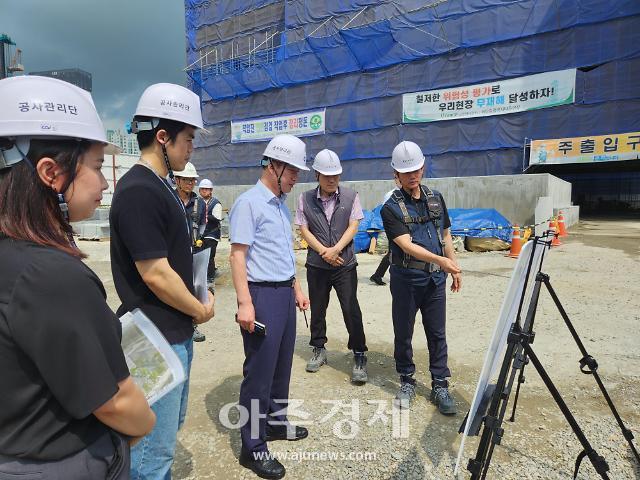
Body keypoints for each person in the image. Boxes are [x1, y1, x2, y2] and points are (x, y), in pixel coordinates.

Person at [0, 75, 155, 479]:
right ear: (51, 172)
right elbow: (114, 401)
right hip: (58, 461)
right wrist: (146, 424)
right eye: (98, 166)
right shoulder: (51, 275)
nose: (105, 183)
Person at [109, 83, 215, 479]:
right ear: (162, 137)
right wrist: (200, 310)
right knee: (152, 453)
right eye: (188, 139)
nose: (191, 150)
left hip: (171, 331)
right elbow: (154, 273)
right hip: (152, 338)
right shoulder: (138, 190)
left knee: (165, 434)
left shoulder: (161, 187)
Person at [229, 134, 311, 479]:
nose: (295, 178)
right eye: (292, 171)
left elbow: (281, 253)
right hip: (260, 296)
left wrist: (296, 286)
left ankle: (275, 423)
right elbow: (238, 255)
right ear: (274, 166)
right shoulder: (248, 203)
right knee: (259, 373)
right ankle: (253, 446)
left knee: (280, 367)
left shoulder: (279, 204)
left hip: (282, 293)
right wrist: (245, 303)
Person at [381, 141, 462, 415]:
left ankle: (440, 383)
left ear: (423, 168)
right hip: (406, 279)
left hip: (435, 281)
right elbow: (405, 244)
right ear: (396, 174)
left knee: (437, 333)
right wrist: (441, 261)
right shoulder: (390, 208)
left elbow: (445, 235)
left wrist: (453, 265)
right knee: (404, 332)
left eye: (416, 169)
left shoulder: (436, 198)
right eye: (406, 172)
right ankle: (406, 380)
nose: (412, 175)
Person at [295, 149, 368, 383]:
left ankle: (359, 353)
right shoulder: (304, 198)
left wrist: (336, 250)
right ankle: (318, 348)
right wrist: (323, 252)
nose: (332, 179)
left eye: (336, 175)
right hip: (317, 265)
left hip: (344, 264)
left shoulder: (350, 196)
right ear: (317, 174)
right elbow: (304, 229)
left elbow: (354, 225)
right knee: (318, 309)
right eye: (327, 175)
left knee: (351, 308)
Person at [174, 162, 207, 343]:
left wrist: (199, 238)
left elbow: (203, 223)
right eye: (186, 179)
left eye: (192, 180)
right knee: (174, 288)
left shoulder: (199, 203)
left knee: (193, 289)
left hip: (193, 251)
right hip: (173, 253)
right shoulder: (169, 199)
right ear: (177, 180)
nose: (190, 183)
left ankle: (192, 326)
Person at [370, 177, 402, 286]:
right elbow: (386, 213)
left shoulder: (407, 193)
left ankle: (378, 275)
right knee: (394, 251)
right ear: (396, 180)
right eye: (399, 179)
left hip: (403, 227)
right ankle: (379, 275)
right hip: (394, 227)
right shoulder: (391, 194)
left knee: (394, 251)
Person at [197, 178, 222, 284]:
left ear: (211, 190)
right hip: (200, 234)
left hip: (211, 233)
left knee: (209, 256)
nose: (204, 191)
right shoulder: (197, 201)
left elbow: (217, 217)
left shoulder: (215, 203)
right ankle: (203, 273)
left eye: (207, 189)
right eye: (202, 189)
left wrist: (204, 216)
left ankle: (210, 276)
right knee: (200, 255)